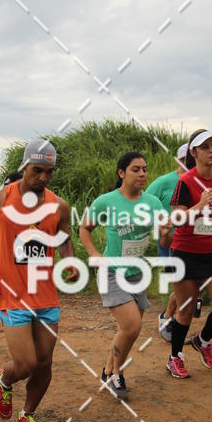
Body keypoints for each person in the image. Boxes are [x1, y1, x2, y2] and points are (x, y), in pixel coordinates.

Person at [0, 140, 78, 422]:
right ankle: (4, 381)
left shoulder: (58, 205)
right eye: (37, 170)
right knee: (26, 364)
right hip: (11, 294)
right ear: (24, 166)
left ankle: (27, 415)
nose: (43, 178)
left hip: (45, 295)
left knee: (44, 363)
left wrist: (69, 260)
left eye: (49, 172)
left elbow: (64, 237)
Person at [80, 151, 171, 399]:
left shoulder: (153, 203)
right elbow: (85, 229)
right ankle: (117, 373)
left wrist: (165, 233)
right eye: (136, 169)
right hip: (111, 272)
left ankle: (108, 370)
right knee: (131, 325)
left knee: (129, 330)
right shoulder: (106, 201)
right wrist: (94, 254)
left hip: (137, 273)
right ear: (121, 173)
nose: (142, 174)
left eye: (145, 169)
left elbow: (165, 241)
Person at [166, 129, 212, 378]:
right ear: (193, 153)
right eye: (205, 147)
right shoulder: (186, 181)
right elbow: (177, 218)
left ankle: (203, 340)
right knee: (186, 310)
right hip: (185, 253)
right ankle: (175, 357)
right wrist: (199, 205)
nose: (211, 150)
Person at [145, 143, 189, 342]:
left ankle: (171, 318)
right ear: (179, 160)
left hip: (193, 240)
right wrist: (157, 225)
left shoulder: (198, 181)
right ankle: (169, 319)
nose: (190, 163)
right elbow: (144, 203)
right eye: (186, 159)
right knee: (182, 285)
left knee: (194, 283)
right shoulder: (164, 182)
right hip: (170, 240)